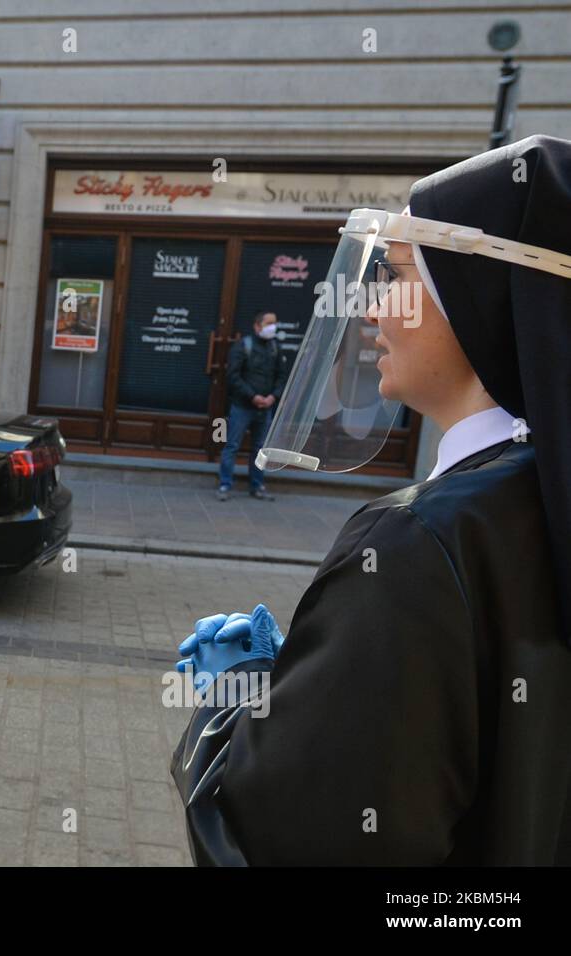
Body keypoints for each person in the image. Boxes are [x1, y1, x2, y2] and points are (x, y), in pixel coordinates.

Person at [170, 135, 571, 865]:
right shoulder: (537, 492)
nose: (371, 310)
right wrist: (333, 683)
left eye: (398, 278)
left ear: (479, 298)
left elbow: (275, 836)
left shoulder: (420, 543)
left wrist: (235, 700)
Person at [217, 311, 286, 501]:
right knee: (232, 445)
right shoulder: (243, 346)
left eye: (275, 323)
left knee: (260, 450)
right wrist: (253, 396)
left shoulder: (275, 348)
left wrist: (273, 396)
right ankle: (225, 484)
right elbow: (233, 377)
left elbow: (281, 376)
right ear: (257, 326)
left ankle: (257, 486)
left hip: (265, 408)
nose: (273, 327)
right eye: (269, 323)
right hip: (243, 406)